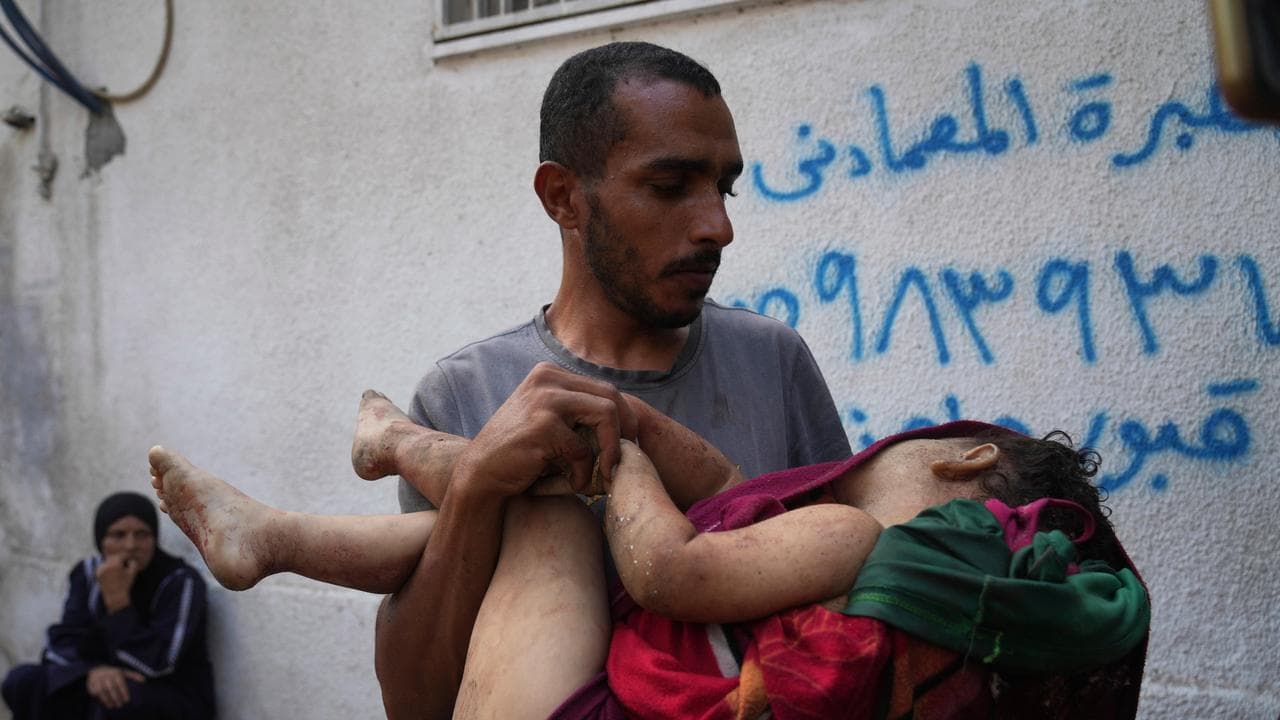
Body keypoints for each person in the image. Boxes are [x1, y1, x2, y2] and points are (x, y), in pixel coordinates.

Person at [147, 366, 1148, 720]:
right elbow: (733, 498)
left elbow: (672, 565)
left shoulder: (857, 538)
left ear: (958, 462)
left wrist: (615, 461)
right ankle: (270, 536)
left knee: (548, 486)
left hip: (571, 711)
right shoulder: (903, 614)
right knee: (537, 486)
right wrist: (631, 422)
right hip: (568, 675)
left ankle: (385, 453)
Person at [381, 40, 851, 715]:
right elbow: (415, 703)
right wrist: (478, 486)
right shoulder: (464, 394)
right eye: (669, 187)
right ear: (563, 197)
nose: (718, 226)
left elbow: (848, 620)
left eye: (724, 188)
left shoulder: (773, 361)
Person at [2, 492, 216, 720]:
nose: (130, 545)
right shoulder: (88, 573)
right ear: (101, 541)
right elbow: (61, 642)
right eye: (118, 535)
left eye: (142, 534)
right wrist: (90, 673)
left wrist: (118, 601)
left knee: (116, 699)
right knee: (23, 681)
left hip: (169, 695)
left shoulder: (181, 581)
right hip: (99, 679)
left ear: (154, 539)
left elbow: (160, 663)